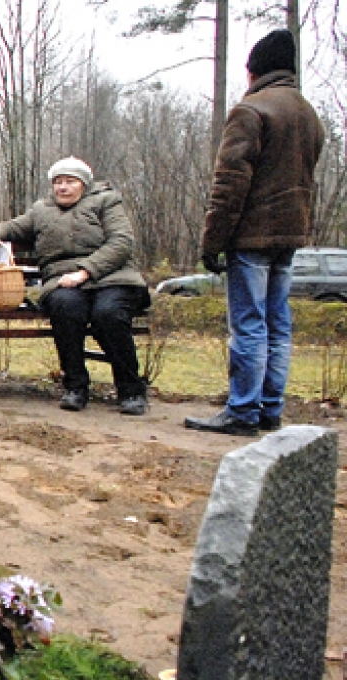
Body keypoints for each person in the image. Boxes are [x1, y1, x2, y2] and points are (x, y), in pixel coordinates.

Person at [185, 29, 324, 437]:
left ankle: (242, 410)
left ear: (254, 69)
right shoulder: (308, 113)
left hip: (252, 237)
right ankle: (269, 409)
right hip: (290, 235)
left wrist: (213, 242)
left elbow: (229, 185)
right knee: (278, 324)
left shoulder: (252, 111)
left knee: (248, 324)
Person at [0, 157, 151, 415]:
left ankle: (131, 390)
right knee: (65, 307)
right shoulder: (42, 210)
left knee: (108, 314)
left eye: (70, 181)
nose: (63, 187)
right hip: (63, 282)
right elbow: (12, 226)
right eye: (58, 182)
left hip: (112, 278)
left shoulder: (106, 202)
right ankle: (75, 387)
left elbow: (121, 243)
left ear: (84, 184)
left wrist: (84, 272)